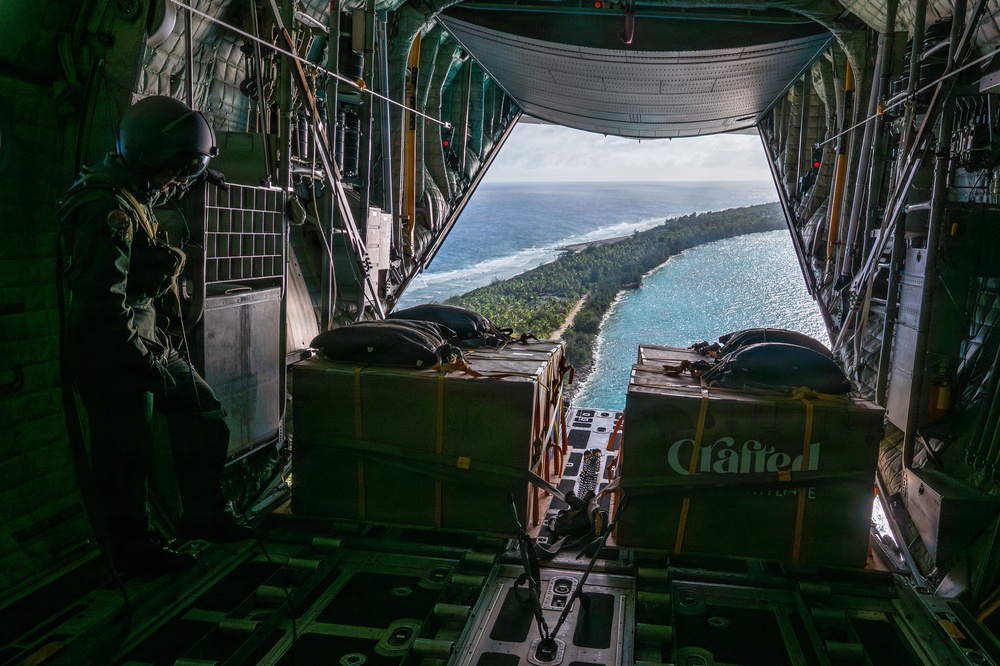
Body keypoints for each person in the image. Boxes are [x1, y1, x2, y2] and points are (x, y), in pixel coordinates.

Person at [58, 95, 249, 576]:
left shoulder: (134, 192)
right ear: (147, 159)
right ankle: (132, 550)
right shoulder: (108, 211)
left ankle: (204, 513)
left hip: (145, 341)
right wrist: (141, 365)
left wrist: (199, 173)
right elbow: (103, 305)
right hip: (115, 352)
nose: (179, 181)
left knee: (204, 413)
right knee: (125, 457)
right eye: (176, 170)